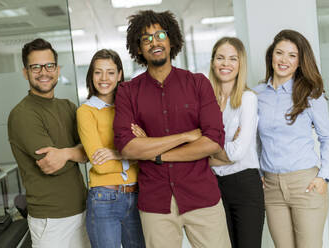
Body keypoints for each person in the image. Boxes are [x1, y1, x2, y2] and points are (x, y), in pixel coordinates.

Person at [113, 10, 231, 248]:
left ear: (171, 40)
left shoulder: (198, 83)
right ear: (138, 49)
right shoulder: (127, 91)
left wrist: (156, 154)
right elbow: (126, 146)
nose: (154, 42)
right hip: (156, 203)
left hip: (202, 197)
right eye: (145, 38)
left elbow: (214, 140)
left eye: (159, 35)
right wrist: (186, 137)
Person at [254, 29, 329, 248]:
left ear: (300, 62)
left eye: (292, 55)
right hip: (271, 187)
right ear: (271, 55)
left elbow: (328, 138)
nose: (284, 60)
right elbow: (256, 139)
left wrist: (324, 176)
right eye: (279, 53)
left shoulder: (311, 94)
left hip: (305, 184)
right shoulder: (256, 95)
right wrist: (259, 171)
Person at [7, 38, 89, 248]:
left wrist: (67, 154)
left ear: (57, 69)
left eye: (49, 65)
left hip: (84, 210)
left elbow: (91, 150)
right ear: (26, 72)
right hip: (51, 221)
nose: (44, 72)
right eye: (36, 67)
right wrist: (78, 151)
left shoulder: (68, 107)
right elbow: (51, 165)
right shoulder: (23, 114)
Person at [76, 49, 145, 248]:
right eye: (98, 72)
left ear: (120, 75)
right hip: (104, 199)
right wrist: (134, 157)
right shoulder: (86, 112)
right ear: (91, 75)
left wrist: (116, 154)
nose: (104, 78)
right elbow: (101, 166)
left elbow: (147, 152)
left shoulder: (131, 108)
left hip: (137, 195)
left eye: (111, 72)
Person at [208, 37, 264, 248]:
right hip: (214, 187)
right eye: (220, 58)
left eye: (233, 59)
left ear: (240, 64)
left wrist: (209, 152)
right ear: (213, 62)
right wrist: (222, 149)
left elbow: (238, 152)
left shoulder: (248, 99)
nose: (226, 64)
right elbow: (196, 150)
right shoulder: (205, 102)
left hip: (245, 186)